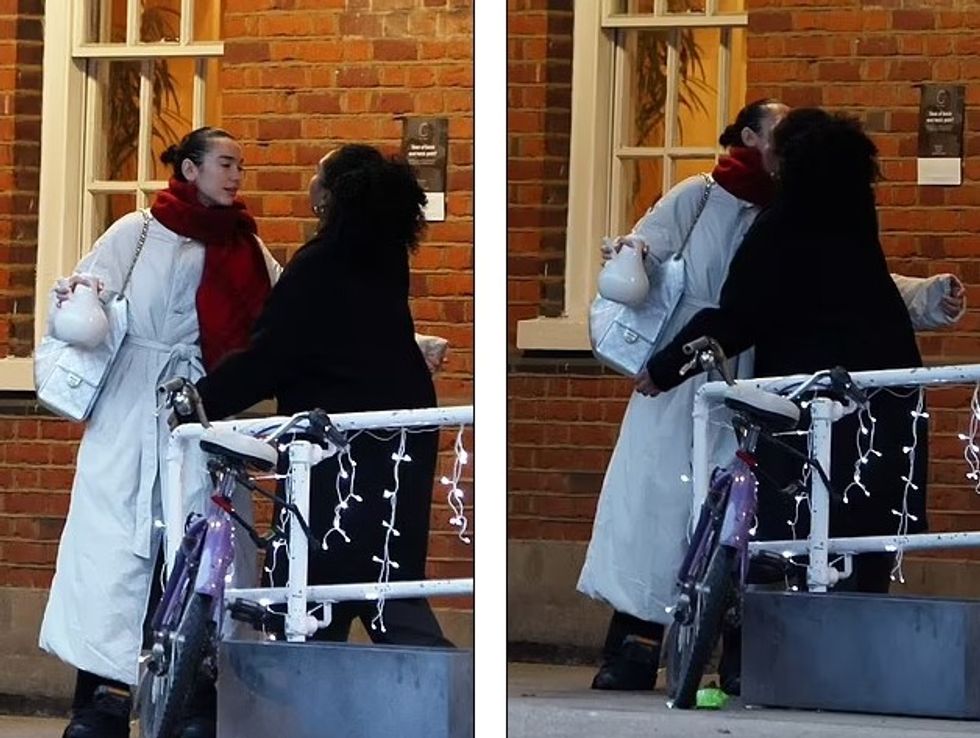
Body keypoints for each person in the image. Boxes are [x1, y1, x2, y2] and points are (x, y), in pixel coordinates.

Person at [578, 101, 965, 693]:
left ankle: (757, 656)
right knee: (682, 510)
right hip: (761, 384)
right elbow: (651, 262)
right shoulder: (722, 198)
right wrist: (633, 260)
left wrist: (664, 366)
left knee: (772, 523)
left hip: (773, 385)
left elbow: (744, 311)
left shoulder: (786, 222)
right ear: (749, 137)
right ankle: (649, 645)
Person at [39, 127, 281, 738]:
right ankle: (102, 700)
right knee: (115, 554)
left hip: (202, 409)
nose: (236, 175)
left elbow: (293, 317)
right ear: (191, 169)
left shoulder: (248, 248)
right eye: (225, 163)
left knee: (204, 551)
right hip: (129, 409)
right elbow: (85, 295)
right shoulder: (136, 231)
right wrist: (79, 303)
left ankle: (197, 699)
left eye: (241, 166)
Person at [190, 144, 453, 648]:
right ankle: (433, 689)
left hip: (337, 449)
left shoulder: (320, 264)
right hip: (397, 441)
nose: (310, 183)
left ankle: (294, 692)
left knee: (308, 590)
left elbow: (272, 354)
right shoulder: (385, 257)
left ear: (332, 194)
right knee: (386, 585)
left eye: (318, 175)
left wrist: (203, 401)